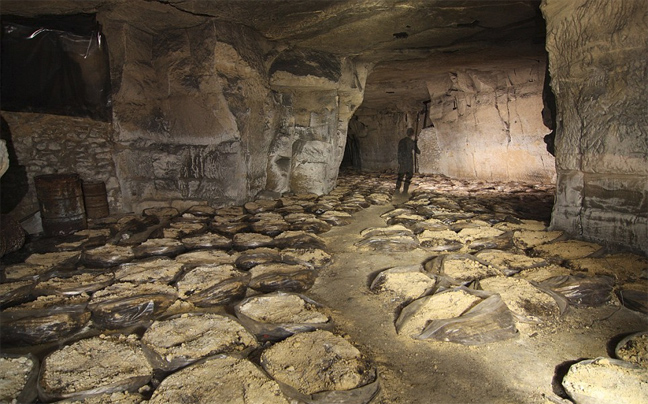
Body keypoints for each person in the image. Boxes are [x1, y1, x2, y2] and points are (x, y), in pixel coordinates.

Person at [395, 127, 420, 194]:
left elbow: (399, 152)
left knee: (400, 175)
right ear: (412, 134)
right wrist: (416, 142)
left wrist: (399, 161)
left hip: (402, 161)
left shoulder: (401, 141)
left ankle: (397, 188)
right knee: (408, 176)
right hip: (408, 161)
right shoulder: (411, 142)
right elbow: (418, 151)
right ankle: (405, 190)